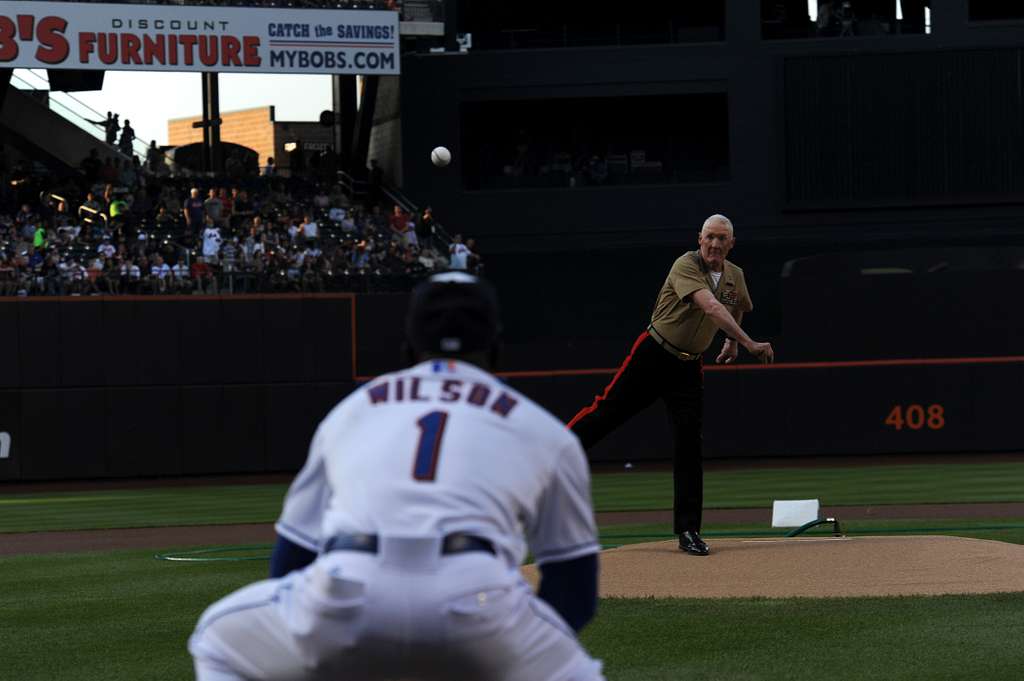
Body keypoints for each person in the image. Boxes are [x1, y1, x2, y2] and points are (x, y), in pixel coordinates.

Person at [189, 272, 605, 681]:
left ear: (408, 348)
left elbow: (291, 559)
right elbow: (574, 589)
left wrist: (321, 646)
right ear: (496, 348)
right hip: (476, 598)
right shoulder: (542, 429)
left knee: (217, 641)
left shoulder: (353, 411)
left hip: (350, 588)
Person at [568, 214, 774, 557]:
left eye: (722, 238)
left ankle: (689, 530)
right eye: (709, 237)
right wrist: (749, 343)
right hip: (654, 354)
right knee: (604, 415)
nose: (715, 244)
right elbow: (710, 305)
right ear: (699, 238)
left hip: (688, 366)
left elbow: (738, 305)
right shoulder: (686, 264)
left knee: (689, 445)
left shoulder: (735, 275)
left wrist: (733, 343)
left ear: (731, 244)